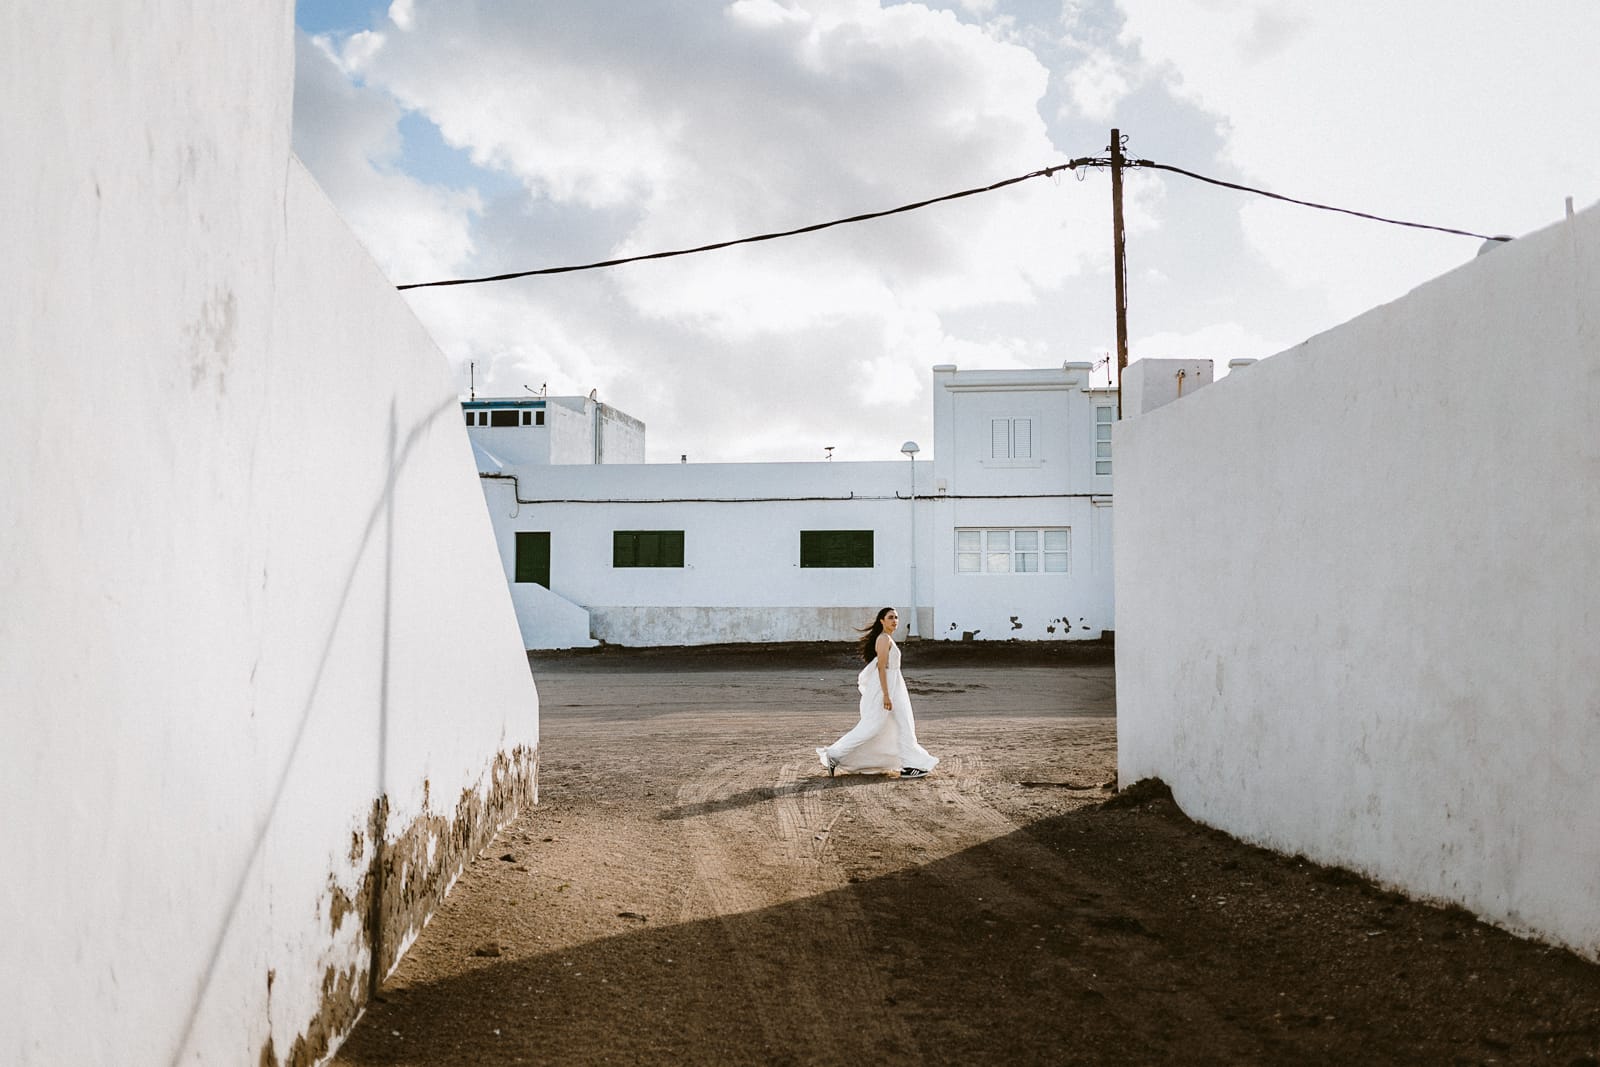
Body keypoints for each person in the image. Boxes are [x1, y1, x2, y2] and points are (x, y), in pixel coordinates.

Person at [816, 607, 939, 779]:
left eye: (896, 617)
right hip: (887, 689)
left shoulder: (887, 638)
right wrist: (886, 695)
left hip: (895, 687)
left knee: (902, 725)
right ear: (882, 621)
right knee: (872, 727)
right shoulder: (883, 639)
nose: (894, 621)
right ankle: (834, 755)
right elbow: (881, 668)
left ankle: (911, 764)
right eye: (890, 617)